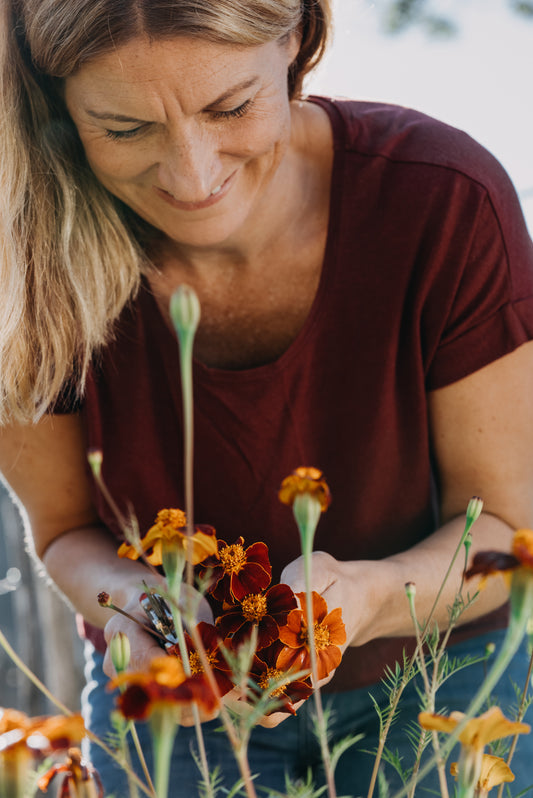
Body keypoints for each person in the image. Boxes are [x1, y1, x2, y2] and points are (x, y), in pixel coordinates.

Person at [1, 0, 533, 795]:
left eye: (231, 107)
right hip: (177, 694)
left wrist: (363, 600)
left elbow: (505, 535)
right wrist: (140, 606)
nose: (193, 175)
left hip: (439, 673)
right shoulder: (22, 258)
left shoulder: (440, 199)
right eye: (123, 128)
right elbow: (64, 532)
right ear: (55, 105)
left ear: (295, 39)